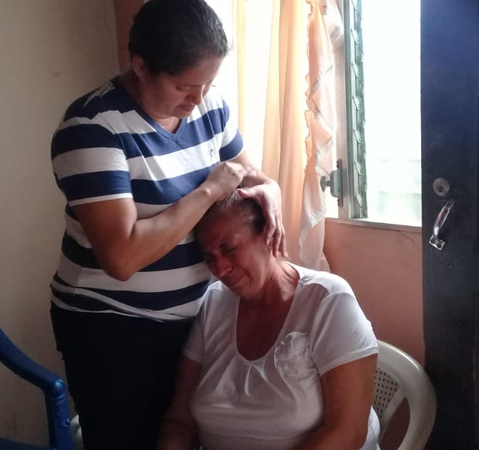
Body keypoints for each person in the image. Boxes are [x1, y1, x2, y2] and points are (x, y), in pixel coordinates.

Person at [48, 0, 285, 448]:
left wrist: (270, 188)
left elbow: (246, 172)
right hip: (114, 329)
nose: (197, 100)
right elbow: (123, 256)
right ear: (140, 66)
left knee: (192, 435)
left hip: (197, 318)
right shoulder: (92, 128)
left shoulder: (208, 104)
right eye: (184, 86)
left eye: (208, 83)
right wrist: (207, 192)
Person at [158, 192, 381, 450]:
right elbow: (179, 420)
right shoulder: (212, 304)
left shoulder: (328, 301)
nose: (219, 270)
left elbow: (347, 432)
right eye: (209, 258)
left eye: (229, 249)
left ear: (269, 234)